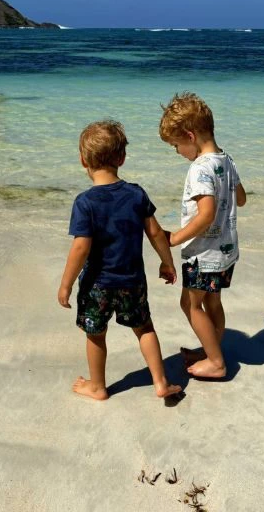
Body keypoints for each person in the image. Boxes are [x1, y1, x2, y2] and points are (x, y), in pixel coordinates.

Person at [57, 120, 183, 401]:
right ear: (122, 158)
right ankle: (160, 381)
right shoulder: (136, 194)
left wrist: (65, 284)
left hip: (97, 285)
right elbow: (155, 233)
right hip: (132, 281)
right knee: (144, 328)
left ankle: (98, 386)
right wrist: (167, 262)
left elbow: (80, 247)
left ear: (82, 160)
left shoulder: (85, 202)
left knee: (96, 335)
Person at [159, 92, 247, 379]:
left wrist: (174, 238)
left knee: (190, 304)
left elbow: (206, 214)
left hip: (204, 254)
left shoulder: (199, 168)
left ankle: (217, 363)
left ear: (190, 135)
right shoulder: (226, 159)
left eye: (176, 145)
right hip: (225, 251)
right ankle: (212, 349)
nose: (177, 152)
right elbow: (242, 198)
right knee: (213, 302)